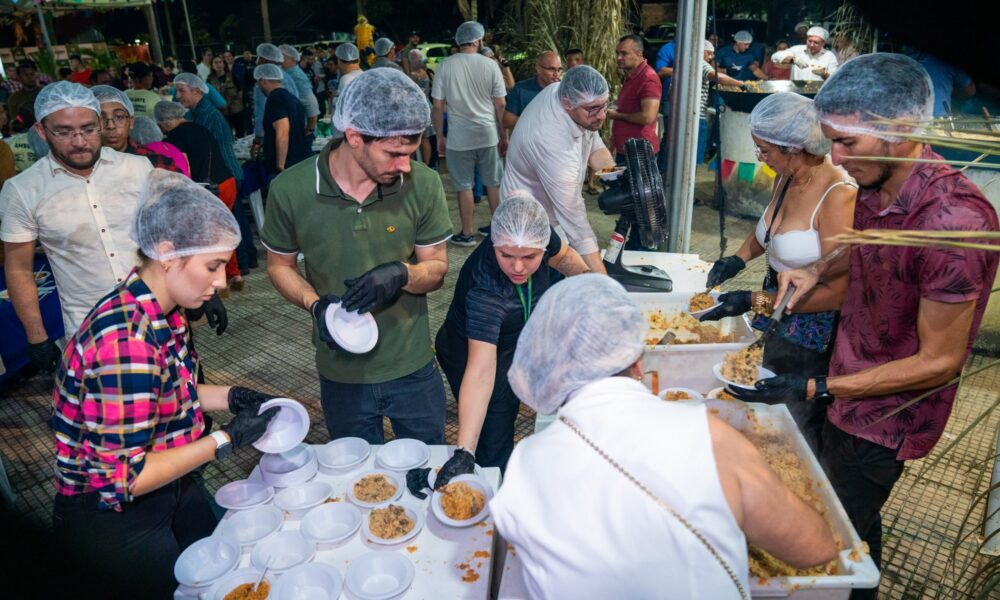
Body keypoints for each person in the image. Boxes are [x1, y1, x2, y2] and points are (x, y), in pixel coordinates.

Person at [751, 54, 1000, 596]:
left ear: (901, 132)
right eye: (830, 140)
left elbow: (940, 360)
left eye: (848, 144)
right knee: (857, 527)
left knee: (825, 536)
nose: (835, 157)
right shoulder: (872, 183)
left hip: (885, 417)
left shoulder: (953, 222)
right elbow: (866, 248)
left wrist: (818, 386)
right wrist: (815, 269)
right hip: (848, 377)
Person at [489, 274, 838, 598]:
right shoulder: (709, 437)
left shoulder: (524, 464)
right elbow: (815, 547)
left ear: (548, 370)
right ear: (639, 360)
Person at [50, 169, 280, 598]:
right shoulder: (126, 344)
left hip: (169, 477)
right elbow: (125, 477)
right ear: (168, 253)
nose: (220, 282)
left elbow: (170, 393)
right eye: (212, 266)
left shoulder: (161, 306)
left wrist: (232, 397)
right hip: (114, 513)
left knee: (218, 573)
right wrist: (226, 440)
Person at [261, 69, 453, 443]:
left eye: (410, 153)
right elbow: (279, 266)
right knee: (357, 479)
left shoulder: (423, 184)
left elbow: (438, 268)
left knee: (428, 470)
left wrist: (402, 274)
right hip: (341, 374)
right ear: (354, 137)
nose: (404, 166)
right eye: (393, 154)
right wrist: (316, 306)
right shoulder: (291, 189)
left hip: (412, 366)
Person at [700, 91, 856, 451]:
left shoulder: (837, 194)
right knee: (755, 404)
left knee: (790, 426)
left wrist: (754, 300)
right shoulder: (785, 177)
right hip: (774, 308)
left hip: (810, 328)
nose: (760, 158)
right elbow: (769, 233)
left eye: (765, 151)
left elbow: (838, 288)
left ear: (794, 148)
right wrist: (737, 259)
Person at [411, 193, 590, 488]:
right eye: (506, 255)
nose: (517, 267)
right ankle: (492, 490)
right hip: (470, 353)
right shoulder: (487, 291)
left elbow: (566, 258)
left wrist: (590, 286)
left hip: (514, 338)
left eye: (530, 257)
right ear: (493, 242)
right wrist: (464, 451)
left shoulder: (535, 233)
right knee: (495, 428)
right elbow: (480, 372)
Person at [1, 82, 154, 371]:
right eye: (64, 132)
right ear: (41, 131)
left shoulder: (137, 168)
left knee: (183, 402)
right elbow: (19, 268)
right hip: (91, 330)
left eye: (88, 128)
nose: (80, 141)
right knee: (113, 413)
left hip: (158, 313)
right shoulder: (22, 190)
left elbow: (163, 235)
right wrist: (37, 338)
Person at [501, 65, 616, 275]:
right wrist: (605, 286)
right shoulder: (551, 139)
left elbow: (595, 147)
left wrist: (616, 178)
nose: (601, 116)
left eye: (604, 106)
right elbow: (577, 226)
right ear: (566, 105)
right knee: (545, 283)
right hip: (529, 220)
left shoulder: (571, 95)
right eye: (593, 110)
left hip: (554, 208)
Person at [432, 21, 507, 247]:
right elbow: (501, 104)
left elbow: (437, 105)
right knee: (493, 183)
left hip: (458, 137)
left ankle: (467, 233)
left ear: (459, 40)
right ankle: (498, 230)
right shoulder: (491, 65)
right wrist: (504, 136)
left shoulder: (445, 66)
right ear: (477, 40)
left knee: (463, 186)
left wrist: (439, 136)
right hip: (487, 134)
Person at [173, 73, 248, 291]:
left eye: (182, 91)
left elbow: (206, 152)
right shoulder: (196, 114)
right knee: (233, 221)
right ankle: (242, 264)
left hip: (223, 175)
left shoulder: (208, 116)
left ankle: (241, 265)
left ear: (197, 91)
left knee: (231, 225)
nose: (178, 96)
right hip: (222, 174)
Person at [91, 85, 182, 174]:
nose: (110, 126)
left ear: (131, 121)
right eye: (101, 119)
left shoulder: (158, 164)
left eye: (119, 117)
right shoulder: (84, 167)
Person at [155, 101, 235, 197]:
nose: (161, 130)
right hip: (228, 182)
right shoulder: (199, 127)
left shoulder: (175, 135)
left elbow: (184, 167)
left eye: (160, 125)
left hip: (212, 189)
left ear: (167, 121)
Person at [608, 34, 661, 162]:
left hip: (639, 152)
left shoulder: (648, 78)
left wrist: (617, 115)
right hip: (626, 148)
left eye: (624, 53)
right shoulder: (631, 75)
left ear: (638, 53)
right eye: (617, 53)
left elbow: (647, 117)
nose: (619, 57)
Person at [254, 64, 310, 176]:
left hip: (287, 164)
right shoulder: (291, 97)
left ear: (263, 81)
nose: (258, 87)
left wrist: (280, 166)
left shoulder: (275, 99)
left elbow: (283, 131)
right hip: (298, 158)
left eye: (258, 83)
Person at [502, 51, 562, 132]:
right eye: (552, 69)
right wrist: (538, 120)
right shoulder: (521, 89)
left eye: (559, 70)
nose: (557, 74)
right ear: (538, 69)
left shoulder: (564, 91)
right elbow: (507, 121)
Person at [253, 43, 300, 143]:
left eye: (260, 57)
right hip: (294, 130)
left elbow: (261, 112)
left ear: (265, 59)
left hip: (275, 134)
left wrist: (258, 140)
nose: (257, 61)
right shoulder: (286, 76)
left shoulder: (263, 81)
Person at [908, 51, 976, 117]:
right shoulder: (944, 61)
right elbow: (970, 91)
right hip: (938, 120)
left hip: (906, 120)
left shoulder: (904, 59)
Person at [279, 44, 320, 138]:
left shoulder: (296, 76)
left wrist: (310, 128)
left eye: (282, 57)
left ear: (293, 58)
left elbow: (311, 103)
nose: (279, 60)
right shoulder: (286, 73)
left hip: (303, 129)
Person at [771, 27, 839, 82]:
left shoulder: (830, 56)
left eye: (816, 42)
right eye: (809, 41)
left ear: (823, 43)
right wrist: (793, 60)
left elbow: (834, 80)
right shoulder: (797, 49)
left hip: (818, 93)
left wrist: (824, 74)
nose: (811, 45)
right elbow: (775, 57)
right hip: (797, 92)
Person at [407, 50, 435, 166]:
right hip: (427, 105)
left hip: (416, 108)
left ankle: (411, 165)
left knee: (412, 139)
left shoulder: (413, 76)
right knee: (425, 138)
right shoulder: (425, 73)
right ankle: (427, 165)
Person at [208, 55, 245, 138]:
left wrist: (240, 103)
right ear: (212, 66)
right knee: (226, 134)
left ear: (224, 64)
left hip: (236, 109)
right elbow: (210, 96)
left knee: (241, 133)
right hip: (221, 111)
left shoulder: (231, 76)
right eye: (216, 63)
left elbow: (239, 90)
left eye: (220, 62)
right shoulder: (210, 79)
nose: (218, 65)